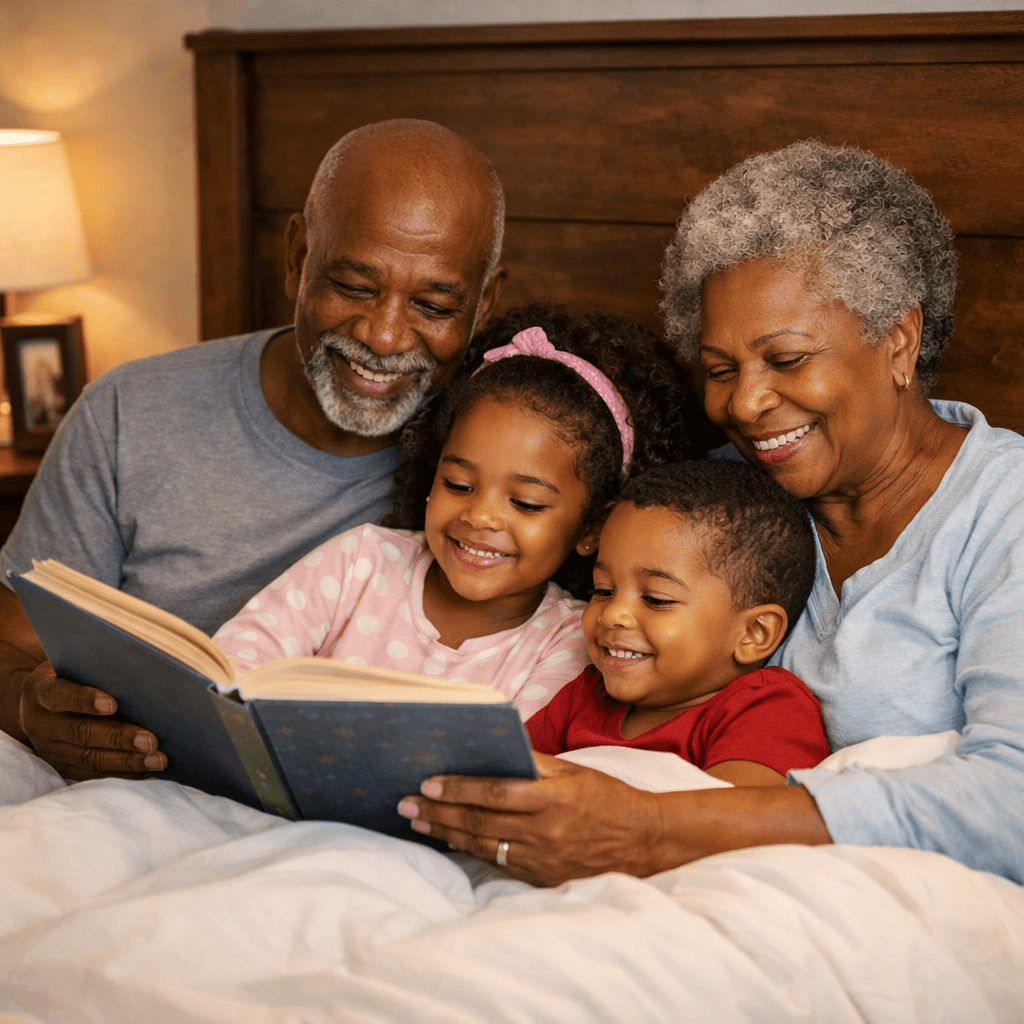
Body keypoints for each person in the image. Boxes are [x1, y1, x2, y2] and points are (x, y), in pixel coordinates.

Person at [397, 140, 1024, 887]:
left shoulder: (1002, 512)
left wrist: (654, 830)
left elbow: (1010, 802)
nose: (745, 404)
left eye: (787, 360)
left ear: (900, 339)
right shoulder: (715, 495)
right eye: (720, 369)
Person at [0, 119, 507, 779]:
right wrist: (29, 706)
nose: (384, 337)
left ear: (485, 303)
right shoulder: (127, 414)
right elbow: (12, 648)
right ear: (298, 257)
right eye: (355, 287)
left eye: (434, 305)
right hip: (136, 792)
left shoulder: (502, 459)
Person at [215, 305, 708, 719]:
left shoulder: (569, 641)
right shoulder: (362, 562)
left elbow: (516, 762)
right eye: (458, 484)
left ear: (590, 528)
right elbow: (239, 658)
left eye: (526, 503)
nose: (481, 516)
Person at [526, 460, 829, 785]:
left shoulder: (766, 709)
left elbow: (731, 821)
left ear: (754, 634)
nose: (612, 614)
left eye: (656, 599)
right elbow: (497, 778)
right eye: (603, 590)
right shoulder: (584, 697)